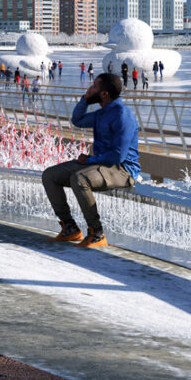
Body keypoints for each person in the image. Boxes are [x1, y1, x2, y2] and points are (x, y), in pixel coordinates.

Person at [41, 72, 139, 248]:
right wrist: (85, 99)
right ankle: (69, 228)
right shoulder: (102, 113)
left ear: (104, 94)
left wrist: (91, 159)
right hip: (99, 165)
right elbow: (77, 120)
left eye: (94, 86)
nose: (89, 89)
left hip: (122, 170)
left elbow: (118, 156)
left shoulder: (122, 115)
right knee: (50, 175)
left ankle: (97, 233)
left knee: (80, 178)